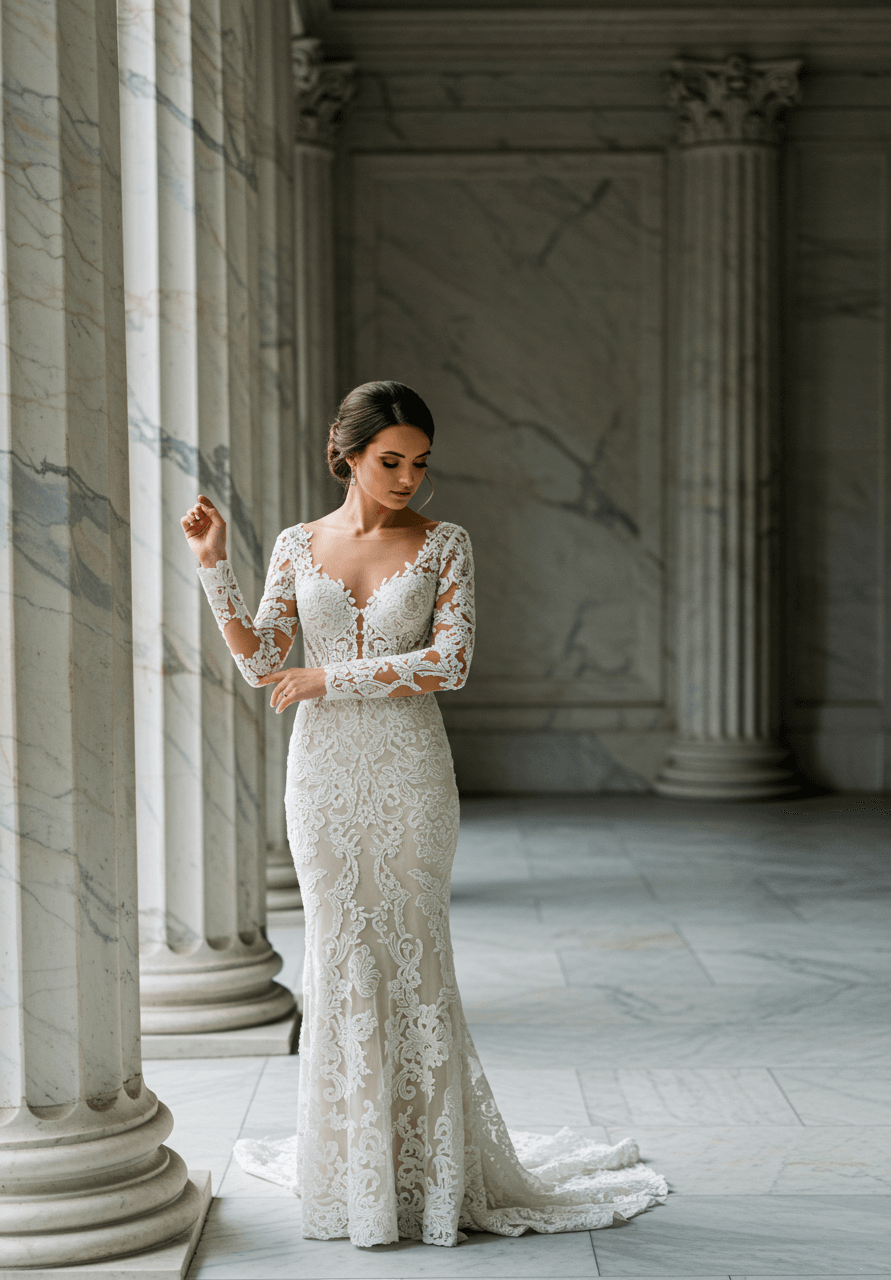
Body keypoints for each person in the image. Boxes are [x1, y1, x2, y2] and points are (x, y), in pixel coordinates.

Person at [182, 380, 666, 1248]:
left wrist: (331, 679)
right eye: (389, 461)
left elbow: (451, 663)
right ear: (348, 455)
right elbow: (264, 664)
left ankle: (432, 1176)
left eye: (419, 463)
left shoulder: (446, 544)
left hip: (409, 773)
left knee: (413, 958)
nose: (408, 478)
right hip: (323, 780)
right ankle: (354, 1173)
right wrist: (215, 566)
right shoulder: (296, 545)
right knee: (339, 957)